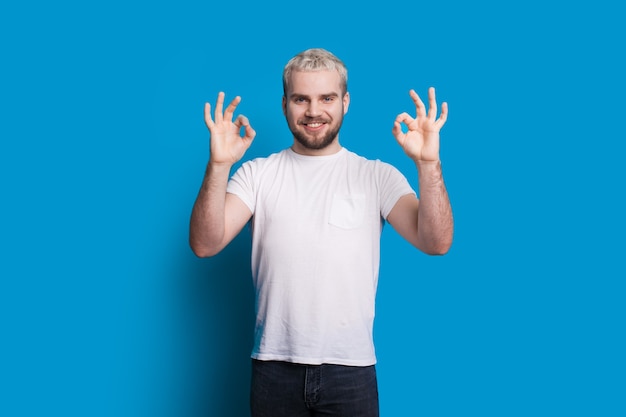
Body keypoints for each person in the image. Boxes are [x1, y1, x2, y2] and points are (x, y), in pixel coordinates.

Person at [189, 48, 453, 417]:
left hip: (352, 371)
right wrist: (219, 166)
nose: (314, 111)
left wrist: (428, 164)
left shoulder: (377, 176)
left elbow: (437, 242)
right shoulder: (257, 174)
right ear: (284, 104)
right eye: (301, 99)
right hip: (273, 368)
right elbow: (204, 244)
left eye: (327, 98)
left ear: (345, 102)